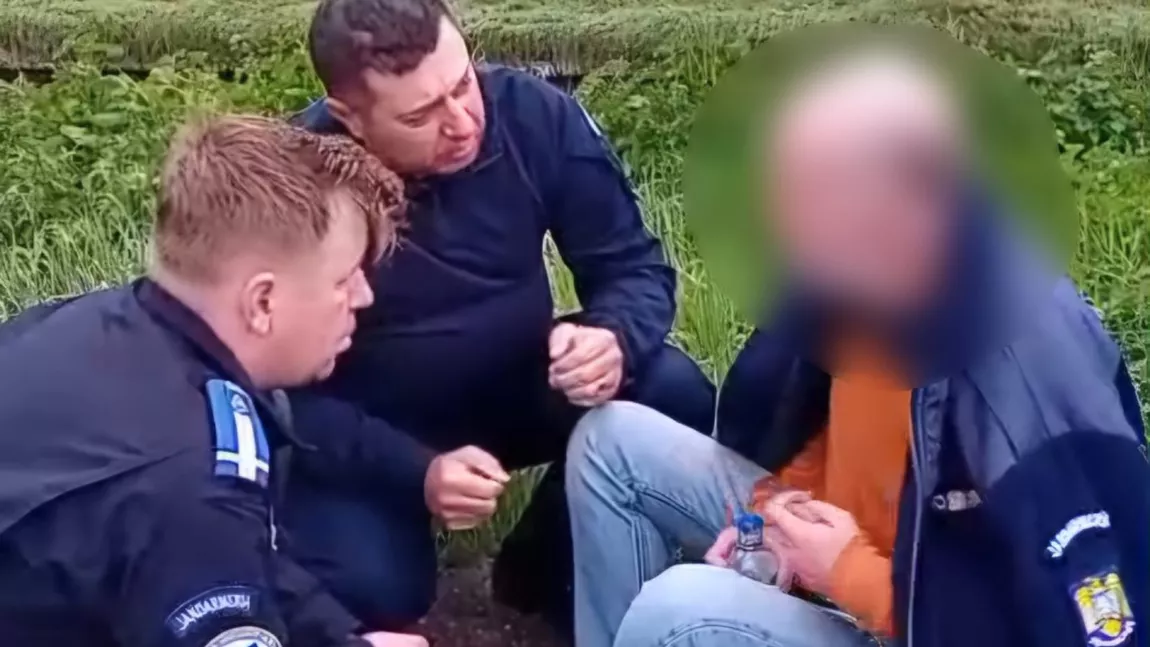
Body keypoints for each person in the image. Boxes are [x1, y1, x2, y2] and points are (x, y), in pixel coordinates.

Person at [564, 49, 1149, 647]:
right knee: (612, 444)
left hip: (909, 617)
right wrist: (776, 519)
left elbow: (1074, 628)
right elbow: (815, 426)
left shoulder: (1029, 373)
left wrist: (848, 573)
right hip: (842, 548)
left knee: (679, 607)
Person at [277, 0, 717, 636]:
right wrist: (415, 470)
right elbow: (276, 392)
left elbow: (633, 267)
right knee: (377, 589)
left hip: (517, 383)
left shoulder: (532, 114)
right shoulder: (295, 184)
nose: (462, 122)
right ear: (352, 118)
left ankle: (542, 573)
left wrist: (612, 335)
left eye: (462, 84)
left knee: (670, 391)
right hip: (376, 423)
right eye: (420, 115)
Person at [0, 115, 431, 647]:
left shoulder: (88, 324)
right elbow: (211, 547)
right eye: (344, 278)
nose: (363, 296)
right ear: (263, 302)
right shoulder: (191, 484)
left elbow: (245, 555)